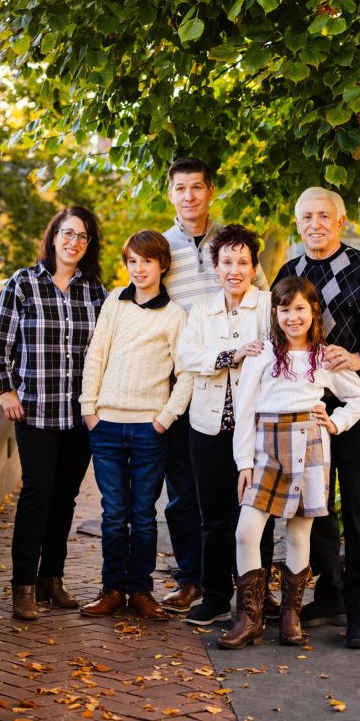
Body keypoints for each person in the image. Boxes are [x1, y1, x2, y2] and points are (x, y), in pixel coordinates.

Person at [270, 187, 360, 648]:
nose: (315, 223)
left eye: (324, 215)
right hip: (308, 404)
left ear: (341, 219)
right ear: (298, 223)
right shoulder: (290, 272)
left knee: (356, 502)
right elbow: (278, 331)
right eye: (307, 216)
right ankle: (328, 594)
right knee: (316, 504)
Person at [218, 276, 360, 650]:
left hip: (309, 444)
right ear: (276, 313)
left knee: (299, 534)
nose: (292, 317)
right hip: (266, 449)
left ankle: (291, 616)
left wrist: (335, 423)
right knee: (246, 532)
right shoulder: (263, 355)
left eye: (300, 308)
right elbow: (245, 410)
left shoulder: (325, 357)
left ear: (313, 311)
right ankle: (249, 617)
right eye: (284, 309)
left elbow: (359, 397)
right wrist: (244, 463)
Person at [0, 207, 107, 621]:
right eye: (67, 233)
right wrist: (5, 389)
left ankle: (50, 579)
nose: (74, 242)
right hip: (35, 410)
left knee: (65, 497)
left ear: (89, 245)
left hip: (79, 413)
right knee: (37, 492)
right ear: (53, 236)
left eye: (83, 236)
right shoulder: (22, 284)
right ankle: (22, 586)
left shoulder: (95, 292)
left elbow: (107, 349)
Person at [160, 158, 269, 614]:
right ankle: (195, 580)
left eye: (197, 188)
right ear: (171, 194)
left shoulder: (235, 243)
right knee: (190, 492)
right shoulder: (162, 248)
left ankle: (248, 588)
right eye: (181, 188)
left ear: (209, 192)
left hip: (249, 398)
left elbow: (269, 317)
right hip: (190, 386)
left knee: (249, 498)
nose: (189, 196)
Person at [79, 230, 193, 621]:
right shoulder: (115, 301)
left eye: (146, 261)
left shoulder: (175, 315)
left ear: (162, 265)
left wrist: (164, 419)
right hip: (107, 425)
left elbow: (187, 374)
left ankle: (141, 592)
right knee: (114, 514)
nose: (138, 269)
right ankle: (112, 590)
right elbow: (96, 355)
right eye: (132, 261)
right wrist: (89, 410)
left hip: (149, 429)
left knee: (143, 515)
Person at [177, 224, 271, 626]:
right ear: (215, 266)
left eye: (243, 262)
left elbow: (276, 355)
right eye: (227, 262)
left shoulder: (268, 307)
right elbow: (187, 357)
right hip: (208, 428)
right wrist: (231, 354)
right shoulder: (201, 310)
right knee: (213, 515)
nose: (235, 270)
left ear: (253, 267)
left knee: (256, 516)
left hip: (256, 430)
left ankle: (256, 599)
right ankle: (215, 596)